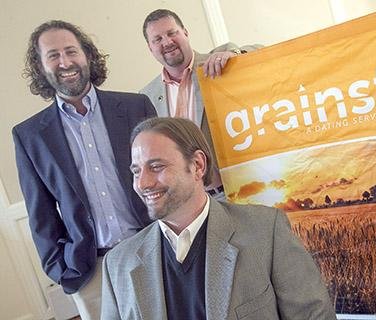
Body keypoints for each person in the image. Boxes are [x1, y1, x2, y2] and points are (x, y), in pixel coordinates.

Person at [101, 117, 337, 320]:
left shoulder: (266, 232)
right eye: (136, 171)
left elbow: (313, 315)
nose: (143, 183)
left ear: (197, 165)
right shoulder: (118, 264)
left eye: (156, 166)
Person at [12, 20, 156, 320]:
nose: (65, 62)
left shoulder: (135, 107)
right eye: (53, 55)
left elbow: (165, 174)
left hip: (154, 250)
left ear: (87, 55)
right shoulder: (30, 136)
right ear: (41, 67)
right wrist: (62, 269)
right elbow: (41, 217)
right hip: (91, 270)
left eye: (71, 51)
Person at [140, 9, 261, 201]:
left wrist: (235, 55)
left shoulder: (219, 61)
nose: (167, 42)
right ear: (150, 47)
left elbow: (262, 52)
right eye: (158, 39)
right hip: (191, 201)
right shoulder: (147, 96)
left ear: (185, 33)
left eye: (172, 33)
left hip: (242, 188)